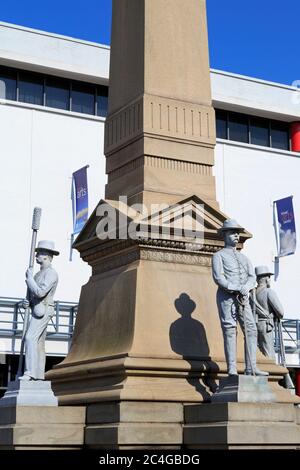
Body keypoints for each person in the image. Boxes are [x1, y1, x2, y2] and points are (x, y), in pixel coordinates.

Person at [212, 219, 268, 376]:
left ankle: (251, 367)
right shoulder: (218, 256)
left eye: (237, 233)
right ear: (224, 235)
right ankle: (232, 368)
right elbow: (219, 278)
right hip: (227, 297)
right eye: (232, 232)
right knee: (230, 330)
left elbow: (252, 277)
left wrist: (246, 287)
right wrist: (236, 288)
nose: (236, 236)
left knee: (251, 329)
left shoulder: (245, 258)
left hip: (244, 297)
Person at [19, 240, 59, 381]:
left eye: (39, 253)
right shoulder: (36, 274)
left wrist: (29, 280)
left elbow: (41, 292)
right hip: (37, 309)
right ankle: (38, 375)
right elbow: (33, 296)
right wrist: (27, 302)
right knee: (38, 343)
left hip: (45, 309)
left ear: (47, 256)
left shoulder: (51, 273)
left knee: (30, 338)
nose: (36, 256)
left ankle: (29, 372)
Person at [252, 266, 284, 359]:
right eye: (269, 277)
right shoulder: (268, 292)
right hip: (266, 325)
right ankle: (271, 370)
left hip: (255, 324)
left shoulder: (252, 293)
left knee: (260, 352)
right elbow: (281, 312)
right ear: (266, 279)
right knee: (268, 351)